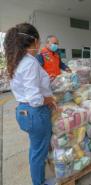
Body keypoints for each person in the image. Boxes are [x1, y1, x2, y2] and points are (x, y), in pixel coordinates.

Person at [4, 23, 57, 185]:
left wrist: (47, 84)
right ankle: (39, 182)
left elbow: (28, 88)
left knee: (36, 149)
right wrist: (50, 99)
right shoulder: (30, 63)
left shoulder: (17, 61)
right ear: (33, 41)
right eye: (40, 41)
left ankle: (38, 179)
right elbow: (35, 99)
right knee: (38, 152)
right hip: (36, 113)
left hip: (24, 112)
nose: (40, 44)